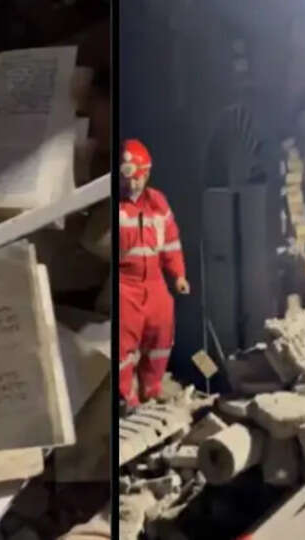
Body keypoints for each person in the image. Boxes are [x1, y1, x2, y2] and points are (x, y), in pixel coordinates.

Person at [118, 139, 190, 408]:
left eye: (137, 178)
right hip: (126, 283)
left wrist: (179, 275)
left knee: (161, 332)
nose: (132, 185)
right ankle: (128, 396)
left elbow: (171, 243)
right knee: (125, 342)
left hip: (155, 280)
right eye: (127, 179)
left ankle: (152, 385)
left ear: (146, 174)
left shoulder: (158, 204)